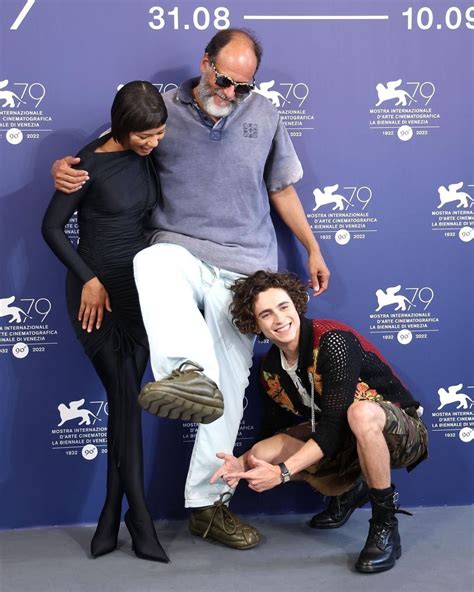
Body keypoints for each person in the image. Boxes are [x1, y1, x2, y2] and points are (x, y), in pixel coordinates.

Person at [51, 29, 330, 550]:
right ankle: (185, 372)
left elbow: (282, 187)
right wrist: (66, 167)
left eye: (242, 87)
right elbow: (113, 143)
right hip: (179, 250)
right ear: (205, 63)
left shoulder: (265, 114)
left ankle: (207, 506)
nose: (230, 94)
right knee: (153, 259)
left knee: (229, 385)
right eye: (224, 81)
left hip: (244, 269)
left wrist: (312, 248)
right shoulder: (163, 109)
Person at [211, 270, 428, 573]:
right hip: (343, 437)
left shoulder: (332, 341)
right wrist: (244, 462)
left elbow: (332, 427)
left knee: (359, 412)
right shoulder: (272, 369)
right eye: (266, 314)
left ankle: (384, 527)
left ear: (297, 305)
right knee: (263, 453)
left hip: (400, 432)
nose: (279, 319)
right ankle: (349, 489)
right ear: (255, 324)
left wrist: (283, 474)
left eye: (284, 307)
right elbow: (279, 431)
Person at [42, 81, 169, 562]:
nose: (153, 143)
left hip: (138, 294)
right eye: (145, 136)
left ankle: (111, 517)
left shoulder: (148, 156)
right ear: (121, 127)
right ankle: (140, 520)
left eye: (158, 134)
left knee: (125, 400)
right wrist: (88, 278)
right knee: (123, 398)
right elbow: (51, 227)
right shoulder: (85, 164)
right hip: (94, 296)